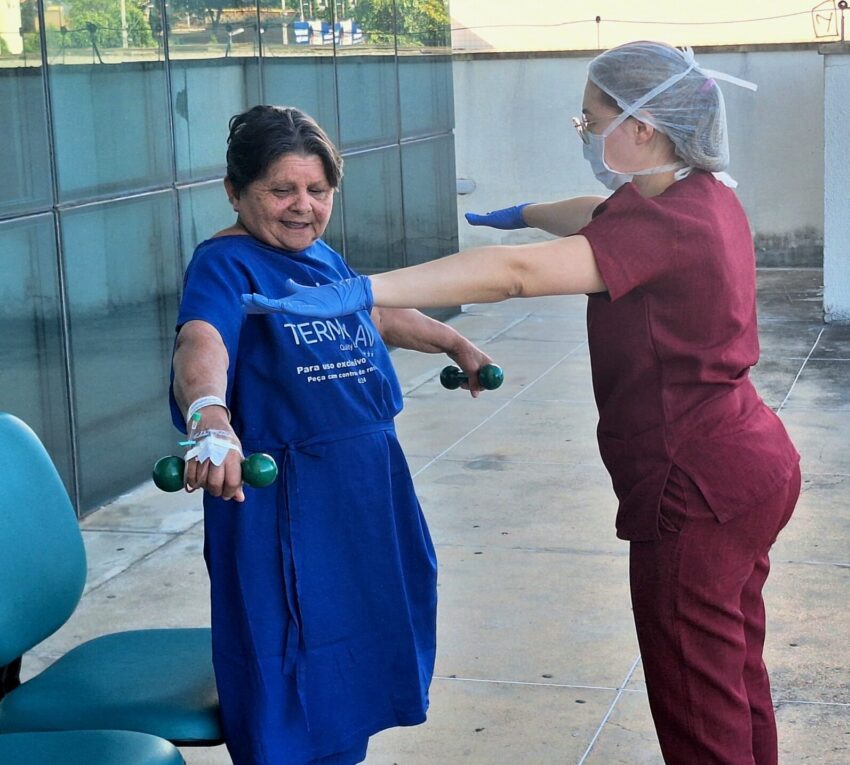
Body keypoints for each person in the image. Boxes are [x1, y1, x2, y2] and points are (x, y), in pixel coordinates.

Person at [243, 41, 801, 765]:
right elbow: (599, 211)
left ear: (642, 127)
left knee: (698, 699)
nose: (584, 132)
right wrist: (527, 210)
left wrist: (364, 289)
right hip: (750, 464)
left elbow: (513, 277)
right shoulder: (700, 195)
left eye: (592, 119)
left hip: (695, 484)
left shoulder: (668, 224)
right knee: (733, 674)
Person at [169, 104, 493, 764]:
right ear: (236, 191)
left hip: (363, 494)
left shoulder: (317, 257)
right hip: (284, 503)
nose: (302, 207)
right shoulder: (226, 265)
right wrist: (211, 416)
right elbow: (200, 340)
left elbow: (370, 309)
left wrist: (455, 342)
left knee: (355, 667)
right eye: (281, 190)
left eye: (317, 191)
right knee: (286, 673)